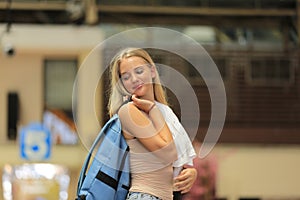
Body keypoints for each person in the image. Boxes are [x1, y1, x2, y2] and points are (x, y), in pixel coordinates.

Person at [107, 47, 197, 200]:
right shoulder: (129, 111)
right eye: (126, 77)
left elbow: (175, 162)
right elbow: (169, 153)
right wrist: (153, 109)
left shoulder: (165, 111)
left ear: (153, 71)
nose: (134, 79)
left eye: (139, 71)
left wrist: (191, 173)